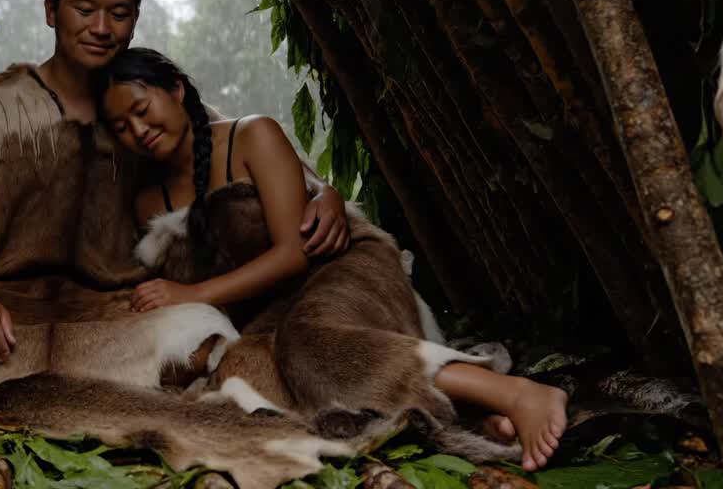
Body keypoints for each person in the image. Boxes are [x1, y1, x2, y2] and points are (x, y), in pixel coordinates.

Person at [0, 0, 349, 394]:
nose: (100, 28)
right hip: (6, 298)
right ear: (53, 11)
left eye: (117, 14)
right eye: (85, 9)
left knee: (203, 344)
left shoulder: (137, 104)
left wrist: (323, 191)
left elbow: (225, 137)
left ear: (133, 21)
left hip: (114, 303)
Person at [97, 47, 570, 472]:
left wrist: (191, 292)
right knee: (243, 384)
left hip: (338, 269)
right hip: (268, 316)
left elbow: (292, 255)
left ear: (176, 90)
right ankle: (464, 413)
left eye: (142, 109)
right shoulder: (147, 203)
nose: (138, 130)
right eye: (121, 126)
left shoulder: (251, 136)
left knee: (308, 342)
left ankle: (516, 393)